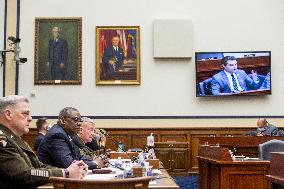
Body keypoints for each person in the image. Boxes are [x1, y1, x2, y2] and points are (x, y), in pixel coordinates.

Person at [0, 95, 88, 189]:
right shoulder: (2, 141)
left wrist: (69, 170)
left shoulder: (14, 138)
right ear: (8, 114)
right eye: (25, 114)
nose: (30, 118)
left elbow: (39, 166)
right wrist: (65, 173)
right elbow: (23, 174)